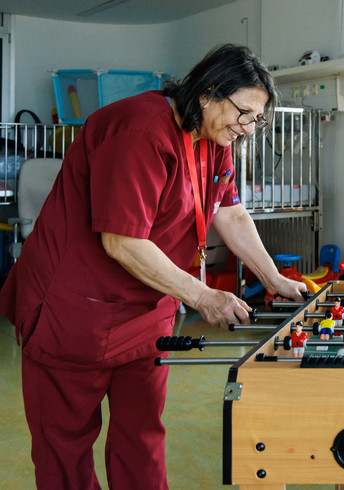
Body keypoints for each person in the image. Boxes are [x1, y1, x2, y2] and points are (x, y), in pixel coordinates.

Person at [0, 44, 306, 490]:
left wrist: (274, 279)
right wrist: (202, 296)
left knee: (142, 438)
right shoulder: (139, 129)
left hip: (148, 310)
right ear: (207, 93)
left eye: (256, 120)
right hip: (75, 309)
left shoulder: (215, 138)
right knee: (65, 448)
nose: (247, 128)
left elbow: (230, 212)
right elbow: (121, 241)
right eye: (244, 113)